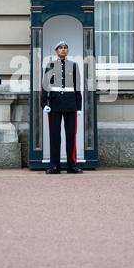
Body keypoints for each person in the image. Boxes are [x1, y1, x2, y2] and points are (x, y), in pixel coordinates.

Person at [41, 41, 83, 174]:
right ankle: (54, 166)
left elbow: (77, 87)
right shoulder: (50, 65)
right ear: (56, 51)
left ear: (68, 51)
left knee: (71, 136)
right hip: (54, 103)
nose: (63, 50)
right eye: (61, 48)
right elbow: (44, 86)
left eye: (65, 48)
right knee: (54, 136)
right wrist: (44, 104)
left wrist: (79, 106)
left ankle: (72, 165)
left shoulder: (74, 66)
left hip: (71, 104)